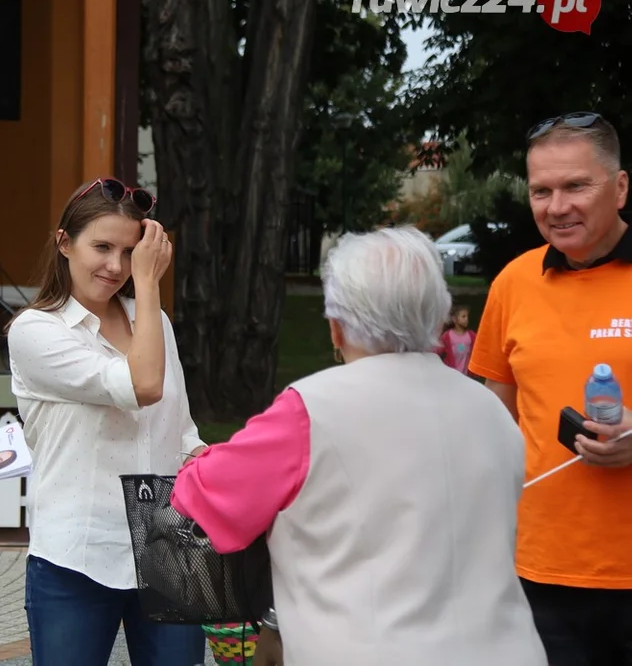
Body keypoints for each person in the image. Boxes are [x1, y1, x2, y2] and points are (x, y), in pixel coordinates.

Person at [170, 226, 547, 666]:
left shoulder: (309, 411)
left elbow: (202, 499)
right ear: (439, 315)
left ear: (336, 327)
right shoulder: (492, 410)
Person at [6, 178, 209, 666]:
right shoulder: (36, 331)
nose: (116, 266)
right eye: (102, 247)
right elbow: (143, 387)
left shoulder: (155, 323)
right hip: (79, 553)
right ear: (63, 243)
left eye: (129, 250)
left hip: (170, 544)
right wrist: (149, 281)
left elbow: (179, 430)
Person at [469, 112, 632, 666]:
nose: (557, 207)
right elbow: (495, 418)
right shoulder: (514, 282)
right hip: (541, 573)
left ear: (621, 187)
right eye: (542, 190)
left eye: (576, 186)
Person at [436, 303, 477, 375]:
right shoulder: (447, 336)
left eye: (467, 316)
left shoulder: (471, 336)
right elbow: (438, 351)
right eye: (463, 316)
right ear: (454, 319)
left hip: (466, 376)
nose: (466, 319)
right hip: (451, 375)